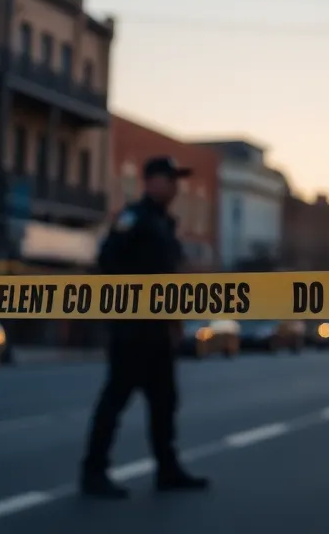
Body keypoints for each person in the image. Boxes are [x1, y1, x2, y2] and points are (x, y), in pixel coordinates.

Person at [79, 155, 210, 499]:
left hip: (158, 330)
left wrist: (174, 320)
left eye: (177, 180)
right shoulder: (133, 218)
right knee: (115, 399)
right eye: (170, 179)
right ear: (151, 182)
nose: (176, 187)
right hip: (132, 328)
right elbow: (108, 260)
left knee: (165, 401)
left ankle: (167, 469)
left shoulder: (164, 224)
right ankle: (93, 472)